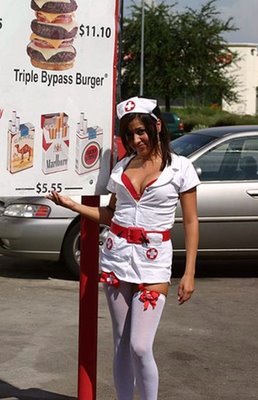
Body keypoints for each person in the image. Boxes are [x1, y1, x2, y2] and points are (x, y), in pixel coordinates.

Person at [48, 96, 200, 400]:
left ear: (156, 126)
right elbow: (110, 215)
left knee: (140, 346)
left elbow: (192, 222)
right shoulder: (121, 168)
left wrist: (189, 272)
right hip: (117, 258)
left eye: (141, 131)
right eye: (129, 134)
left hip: (155, 262)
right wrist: (72, 205)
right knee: (120, 342)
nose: (136, 139)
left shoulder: (180, 168)